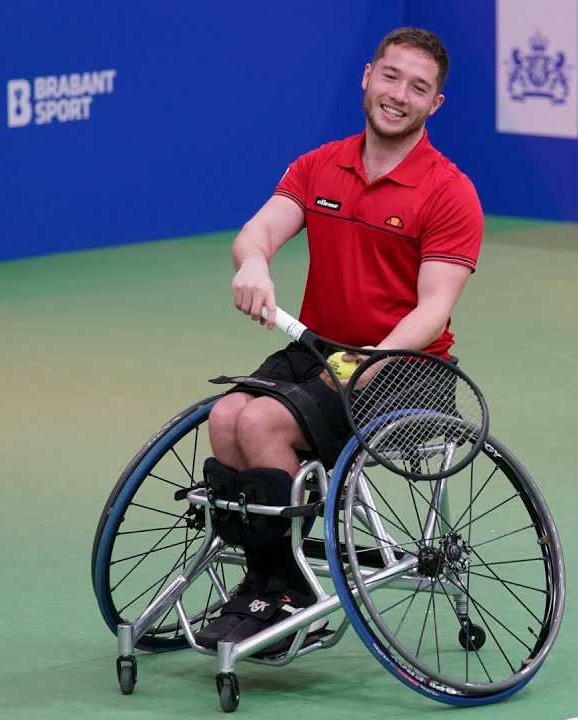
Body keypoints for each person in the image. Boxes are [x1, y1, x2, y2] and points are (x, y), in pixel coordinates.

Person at [195, 26, 484, 654]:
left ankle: (294, 593)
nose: (398, 95)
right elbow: (260, 231)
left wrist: (365, 362)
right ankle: (263, 579)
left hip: (406, 364)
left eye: (418, 88)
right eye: (390, 76)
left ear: (434, 105)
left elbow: (433, 310)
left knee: (265, 424)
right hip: (316, 345)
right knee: (226, 417)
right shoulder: (321, 164)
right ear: (367, 76)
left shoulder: (450, 192)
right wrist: (253, 264)